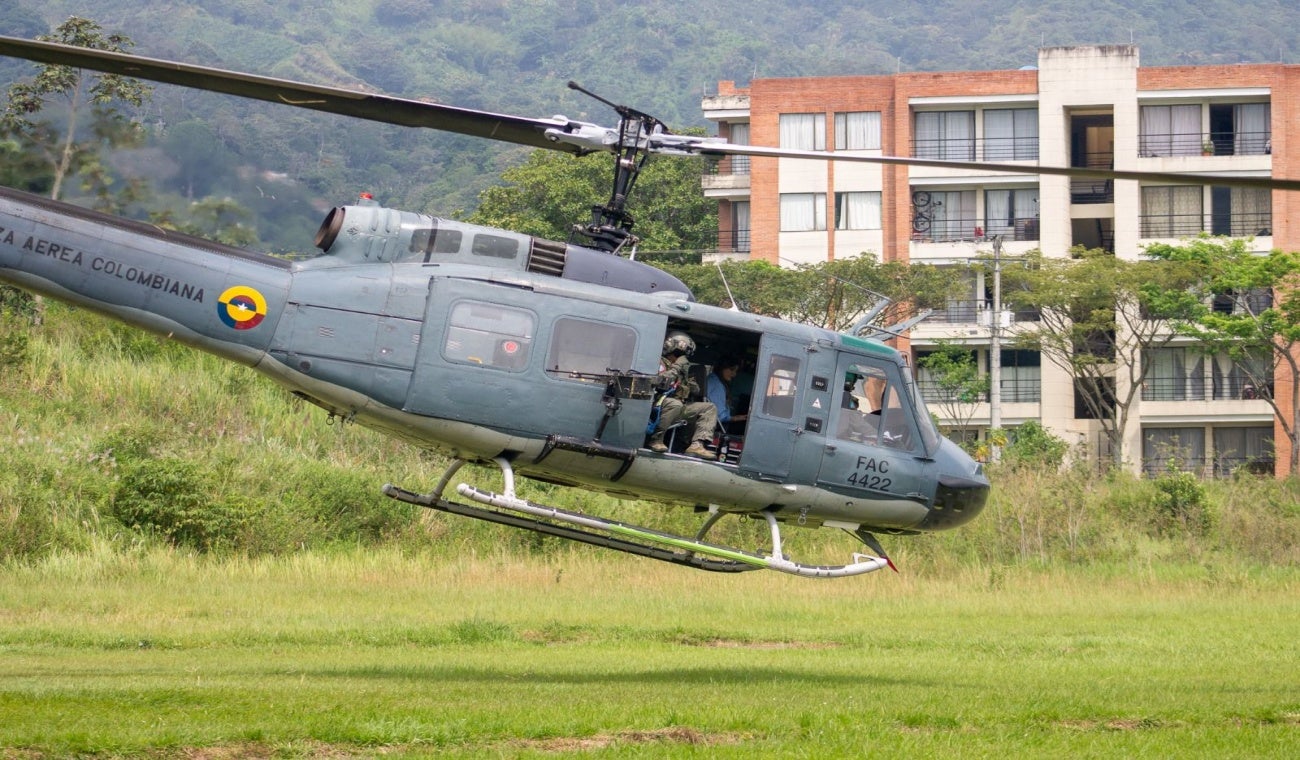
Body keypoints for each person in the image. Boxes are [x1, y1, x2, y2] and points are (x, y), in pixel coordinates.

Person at [648, 330, 718, 459]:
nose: (681, 358)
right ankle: (656, 439)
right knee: (675, 404)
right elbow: (660, 383)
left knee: (709, 407)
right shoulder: (660, 363)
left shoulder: (681, 369)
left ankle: (697, 445)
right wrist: (677, 367)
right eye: (679, 355)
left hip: (680, 406)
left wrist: (689, 381)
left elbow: (696, 391)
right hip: (659, 404)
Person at [706, 356, 747, 433]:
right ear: (722, 368)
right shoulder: (716, 384)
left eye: (736, 371)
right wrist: (734, 418)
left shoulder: (711, 378)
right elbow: (719, 416)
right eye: (731, 370)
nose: (734, 374)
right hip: (716, 427)